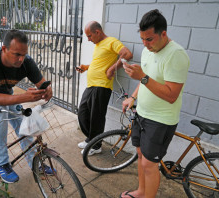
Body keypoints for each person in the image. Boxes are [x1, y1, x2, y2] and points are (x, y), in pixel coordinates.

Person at [120, 9, 190, 198]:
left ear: (163, 34)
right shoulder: (147, 51)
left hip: (160, 119)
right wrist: (132, 97)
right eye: (142, 39)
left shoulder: (176, 54)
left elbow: (171, 95)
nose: (145, 44)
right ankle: (141, 192)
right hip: (142, 113)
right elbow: (146, 82)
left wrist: (142, 77)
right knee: (141, 157)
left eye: (149, 39)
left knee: (149, 165)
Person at [0, 30, 53, 183]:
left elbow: (41, 83)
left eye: (24, 54)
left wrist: (47, 89)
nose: (21, 59)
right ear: (4, 49)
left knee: (24, 118)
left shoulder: (26, 61)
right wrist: (25, 97)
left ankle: (35, 162)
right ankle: (1, 163)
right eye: (16, 54)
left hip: (6, 94)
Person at [76, 21, 133, 155]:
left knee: (96, 117)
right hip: (91, 85)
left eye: (90, 36)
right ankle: (91, 139)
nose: (88, 39)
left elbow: (127, 54)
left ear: (98, 32)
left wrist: (113, 69)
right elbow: (100, 63)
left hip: (102, 86)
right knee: (83, 113)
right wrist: (86, 67)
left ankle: (96, 146)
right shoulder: (98, 45)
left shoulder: (111, 41)